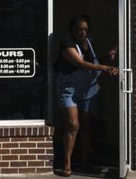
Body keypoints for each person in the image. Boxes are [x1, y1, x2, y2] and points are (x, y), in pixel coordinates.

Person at [55, 15, 118, 177]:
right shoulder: (67, 43)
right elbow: (80, 63)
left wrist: (107, 58)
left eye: (85, 29)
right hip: (69, 89)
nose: (82, 32)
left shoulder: (89, 42)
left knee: (86, 125)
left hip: (87, 90)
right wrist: (105, 67)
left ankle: (85, 162)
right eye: (79, 29)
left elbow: (93, 62)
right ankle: (66, 164)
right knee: (73, 125)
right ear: (72, 30)